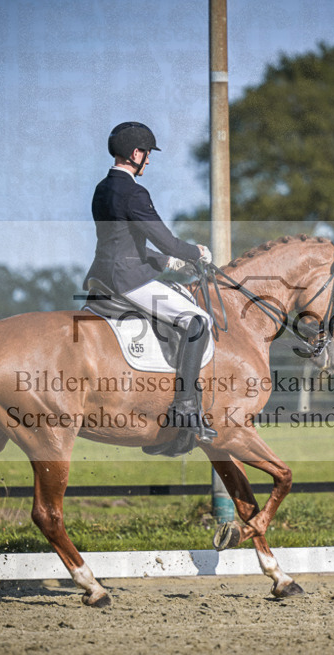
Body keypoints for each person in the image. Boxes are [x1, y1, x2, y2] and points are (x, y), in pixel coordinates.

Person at [84, 121, 217, 453]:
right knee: (197, 321)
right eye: (147, 154)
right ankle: (185, 408)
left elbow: (123, 244)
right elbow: (168, 241)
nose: (149, 161)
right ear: (136, 154)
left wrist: (165, 264)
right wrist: (195, 253)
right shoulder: (135, 193)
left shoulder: (102, 188)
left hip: (101, 276)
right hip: (128, 282)